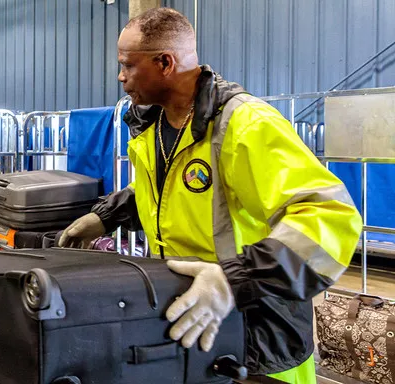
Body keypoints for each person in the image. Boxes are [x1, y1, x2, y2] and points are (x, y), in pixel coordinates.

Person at [58, 8, 361, 384]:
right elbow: (165, 191)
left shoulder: (246, 125)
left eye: (127, 65)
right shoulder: (154, 126)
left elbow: (329, 216)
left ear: (165, 63)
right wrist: (105, 216)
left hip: (258, 333)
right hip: (192, 319)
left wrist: (233, 280)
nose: (121, 77)